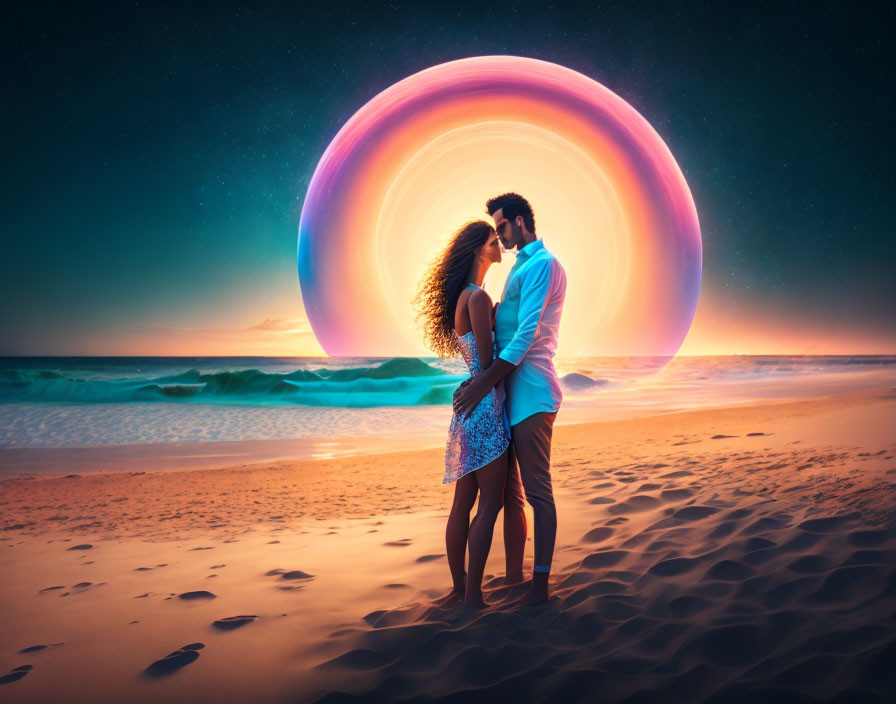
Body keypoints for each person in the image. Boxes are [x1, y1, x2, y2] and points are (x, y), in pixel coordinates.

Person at [453, 193, 567, 607]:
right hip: (510, 397)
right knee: (511, 496)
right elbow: (508, 322)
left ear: (520, 222)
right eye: (496, 230)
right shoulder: (521, 266)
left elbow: (527, 335)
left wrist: (483, 382)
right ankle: (516, 576)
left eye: (501, 227)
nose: (499, 237)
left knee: (539, 493)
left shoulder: (543, 265)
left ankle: (538, 587)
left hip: (533, 394)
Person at [414, 220, 511, 609]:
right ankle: (473, 596)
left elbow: (475, 364)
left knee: (461, 505)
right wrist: (499, 319)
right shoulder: (478, 299)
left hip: (468, 411)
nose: (499, 245)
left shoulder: (465, 297)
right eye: (493, 241)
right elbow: (488, 363)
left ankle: (459, 586)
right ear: (478, 251)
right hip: (485, 407)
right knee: (491, 504)